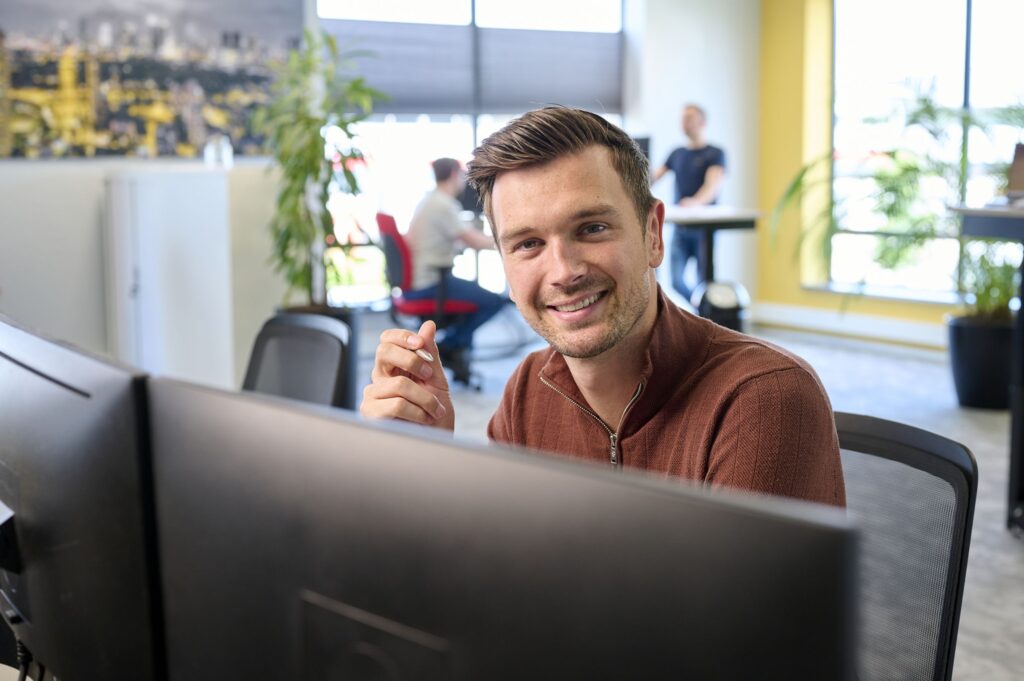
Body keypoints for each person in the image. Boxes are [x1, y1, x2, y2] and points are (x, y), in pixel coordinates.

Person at [361, 107, 844, 507]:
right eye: (528, 243)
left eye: (592, 228)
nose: (563, 271)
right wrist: (427, 461)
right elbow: (500, 569)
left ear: (652, 235)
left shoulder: (763, 399)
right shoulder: (529, 388)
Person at [403, 157, 507, 383]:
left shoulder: (430, 200)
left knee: (473, 293)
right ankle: (448, 346)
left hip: (423, 281)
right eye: (461, 175)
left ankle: (458, 358)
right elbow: (474, 241)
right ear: (453, 174)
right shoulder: (443, 204)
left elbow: (455, 238)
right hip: (432, 284)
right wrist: (510, 241)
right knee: (493, 301)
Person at [651, 104, 726, 304]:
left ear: (702, 123)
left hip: (704, 230)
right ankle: (702, 308)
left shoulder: (715, 153)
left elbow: (712, 186)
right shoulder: (677, 153)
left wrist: (695, 202)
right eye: (683, 118)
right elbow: (653, 178)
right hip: (681, 228)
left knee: (705, 282)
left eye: (690, 118)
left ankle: (706, 310)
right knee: (676, 281)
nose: (684, 122)